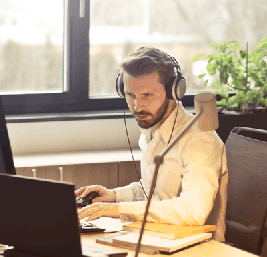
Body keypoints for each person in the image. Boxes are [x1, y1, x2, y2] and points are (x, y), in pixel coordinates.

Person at [77, 46, 227, 242]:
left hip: (198, 251)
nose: (137, 107)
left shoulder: (200, 139)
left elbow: (194, 211)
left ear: (174, 91)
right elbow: (153, 192)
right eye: (130, 95)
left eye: (147, 95)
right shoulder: (152, 133)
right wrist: (113, 196)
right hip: (159, 239)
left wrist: (118, 210)